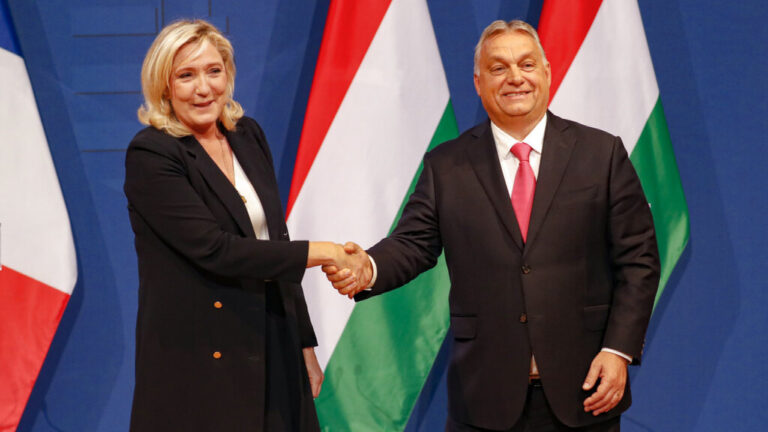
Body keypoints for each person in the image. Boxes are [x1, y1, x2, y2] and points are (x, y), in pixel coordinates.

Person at [324, 20, 660, 431]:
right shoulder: (447, 166)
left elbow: (639, 260)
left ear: (546, 72)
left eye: (527, 64)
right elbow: (413, 244)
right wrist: (369, 267)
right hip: (484, 398)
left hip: (586, 391)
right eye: (498, 68)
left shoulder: (601, 153)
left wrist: (618, 350)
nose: (515, 77)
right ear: (479, 83)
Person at [124, 19, 354, 431]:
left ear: (228, 75)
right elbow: (216, 250)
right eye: (186, 76)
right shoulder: (152, 154)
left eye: (213, 71)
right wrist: (325, 252)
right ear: (164, 87)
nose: (204, 88)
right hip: (200, 360)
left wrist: (303, 342)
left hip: (273, 340)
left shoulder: (246, 135)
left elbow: (273, 240)